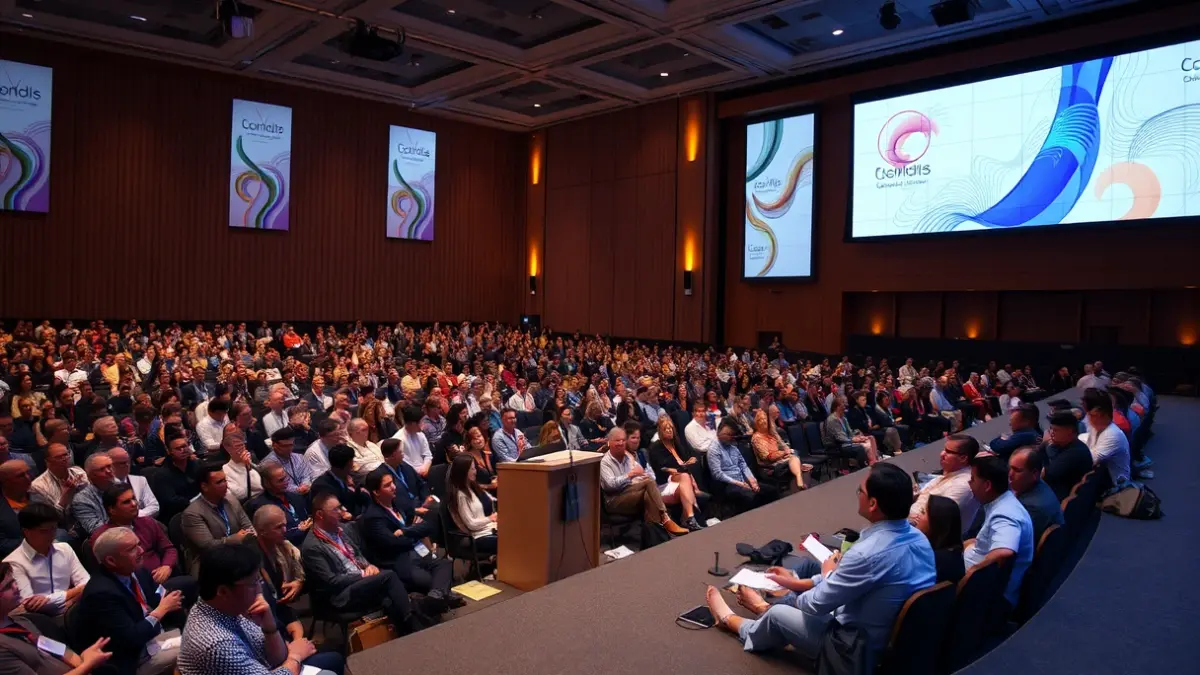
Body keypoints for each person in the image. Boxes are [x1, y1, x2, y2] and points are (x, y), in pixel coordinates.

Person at [703, 463, 935, 671]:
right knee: (804, 585)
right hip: (891, 638)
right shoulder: (920, 539)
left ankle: (732, 622)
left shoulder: (867, 554)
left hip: (854, 649)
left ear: (873, 504)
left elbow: (814, 605)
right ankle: (767, 610)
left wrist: (809, 583)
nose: (857, 495)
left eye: (860, 491)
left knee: (778, 614)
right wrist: (803, 582)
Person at [178, 543, 343, 675]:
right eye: (252, 584)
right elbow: (284, 660)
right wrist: (295, 656)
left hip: (264, 666)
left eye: (259, 581)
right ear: (223, 591)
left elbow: (278, 657)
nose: (259, 590)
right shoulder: (216, 645)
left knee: (334, 658)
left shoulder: (223, 608)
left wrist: (269, 627)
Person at [300, 492, 425, 636]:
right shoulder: (312, 546)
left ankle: (406, 630)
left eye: (341, 507)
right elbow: (332, 581)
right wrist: (362, 574)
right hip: (341, 594)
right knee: (389, 577)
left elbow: (357, 554)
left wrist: (368, 566)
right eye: (335, 509)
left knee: (388, 596)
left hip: (359, 581)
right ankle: (413, 623)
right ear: (320, 515)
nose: (342, 512)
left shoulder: (340, 529)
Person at [73, 528, 185, 675]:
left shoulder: (136, 570)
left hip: (152, 636)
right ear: (111, 560)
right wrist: (161, 610)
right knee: (197, 649)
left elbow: (158, 595)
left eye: (138, 544)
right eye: (132, 549)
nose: (141, 551)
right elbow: (131, 639)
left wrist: (168, 605)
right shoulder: (101, 594)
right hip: (132, 659)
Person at [359, 468, 461, 614]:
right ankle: (443, 596)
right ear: (376, 492)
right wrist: (414, 531)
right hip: (398, 561)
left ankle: (436, 597)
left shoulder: (398, 503)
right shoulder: (373, 517)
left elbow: (427, 527)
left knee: (445, 564)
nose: (393, 487)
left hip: (416, 552)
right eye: (387, 485)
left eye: (392, 482)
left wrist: (406, 531)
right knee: (431, 580)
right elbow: (392, 543)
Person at [0, 559, 114, 674]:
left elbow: (61, 651)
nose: (16, 587)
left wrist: (85, 659)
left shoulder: (21, 621)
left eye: (14, 581)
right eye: (8, 586)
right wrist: (87, 665)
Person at [963, 454, 1034, 608]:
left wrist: (970, 576)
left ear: (987, 485)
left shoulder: (1005, 514)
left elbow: (1003, 553)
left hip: (987, 598)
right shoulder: (1004, 500)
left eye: (973, 479)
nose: (969, 483)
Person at [88, 484, 184, 589]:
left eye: (133, 498)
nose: (134, 504)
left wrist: (167, 566)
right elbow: (109, 573)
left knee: (188, 584)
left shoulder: (147, 522)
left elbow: (169, 549)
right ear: (111, 509)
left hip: (163, 577)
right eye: (126, 502)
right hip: (133, 587)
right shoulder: (102, 538)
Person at [600, 427, 689, 536]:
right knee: (648, 483)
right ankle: (665, 519)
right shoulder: (605, 462)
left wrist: (636, 478)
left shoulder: (627, 458)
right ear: (609, 442)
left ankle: (655, 535)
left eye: (623, 440)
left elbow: (638, 477)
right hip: (614, 500)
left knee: (648, 493)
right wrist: (630, 475)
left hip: (629, 492)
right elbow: (610, 485)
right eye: (618, 440)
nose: (621, 443)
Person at [3, 503, 89, 616]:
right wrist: (75, 593)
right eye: (44, 531)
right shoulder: (13, 562)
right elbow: (29, 604)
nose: (51, 535)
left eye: (54, 529)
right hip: (38, 620)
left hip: (72, 611)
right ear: (26, 531)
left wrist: (69, 600)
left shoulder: (65, 549)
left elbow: (88, 583)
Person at [246, 506, 308, 647]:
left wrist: (298, 582)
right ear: (262, 531)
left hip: (279, 612)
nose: (285, 530)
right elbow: (266, 605)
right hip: (264, 627)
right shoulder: (252, 560)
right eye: (279, 527)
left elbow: (278, 600)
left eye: (285, 525)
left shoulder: (280, 546)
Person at [180, 464, 254, 576]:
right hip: (210, 563)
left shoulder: (231, 500)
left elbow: (248, 526)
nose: (226, 485)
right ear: (204, 487)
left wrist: (249, 535)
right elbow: (208, 547)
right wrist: (235, 539)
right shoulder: (192, 514)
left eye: (225, 480)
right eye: (219, 482)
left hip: (238, 553)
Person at [909, 434, 980, 535]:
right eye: (944, 449)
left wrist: (905, 523)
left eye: (948, 451)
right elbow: (920, 496)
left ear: (963, 458)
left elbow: (935, 522)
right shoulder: (948, 474)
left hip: (924, 534)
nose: (942, 454)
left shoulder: (963, 485)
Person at [646, 416, 703, 531]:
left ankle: (689, 518)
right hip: (665, 483)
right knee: (685, 476)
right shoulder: (655, 447)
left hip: (681, 480)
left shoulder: (676, 444)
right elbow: (661, 468)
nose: (669, 430)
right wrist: (677, 469)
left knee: (687, 475)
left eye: (671, 428)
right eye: (666, 429)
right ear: (660, 431)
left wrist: (690, 461)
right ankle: (689, 518)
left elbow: (686, 459)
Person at [706, 419, 765, 514]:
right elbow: (717, 474)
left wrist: (752, 479)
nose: (731, 437)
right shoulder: (713, 450)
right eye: (728, 434)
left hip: (742, 480)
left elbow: (743, 465)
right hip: (728, 484)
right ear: (718, 433)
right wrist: (739, 483)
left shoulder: (733, 447)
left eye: (732, 435)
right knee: (753, 496)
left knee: (770, 491)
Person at [246, 465, 312, 548]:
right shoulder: (262, 507)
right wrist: (300, 531)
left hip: (308, 539)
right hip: (286, 547)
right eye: (281, 480)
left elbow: (306, 519)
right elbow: (273, 537)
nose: (286, 482)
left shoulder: (295, 496)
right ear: (267, 484)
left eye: (286, 478)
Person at [1008, 447, 1065, 543]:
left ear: (1034, 473)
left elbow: (1010, 541)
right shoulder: (1035, 484)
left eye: (1017, 470)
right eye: (1010, 468)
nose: (1010, 475)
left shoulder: (1034, 507)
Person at [445, 454, 498, 554]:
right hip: (479, 537)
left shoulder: (472, 487)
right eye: (472, 469)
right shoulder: (461, 495)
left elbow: (492, 501)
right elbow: (471, 524)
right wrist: (490, 518)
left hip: (490, 529)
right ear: (463, 472)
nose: (475, 471)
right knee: (513, 539)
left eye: (475, 468)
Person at [1080, 387, 1131, 491]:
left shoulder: (1113, 435)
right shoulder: (1096, 426)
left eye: (1089, 414)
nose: (1087, 417)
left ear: (1098, 412)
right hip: (1101, 477)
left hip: (1115, 487)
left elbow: (1090, 460)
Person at [1039, 411, 1094, 500]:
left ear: (1069, 431)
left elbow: (1046, 475)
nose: (1051, 433)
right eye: (1051, 429)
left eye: (1056, 430)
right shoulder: (1062, 445)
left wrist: (1048, 444)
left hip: (1065, 498)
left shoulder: (1075, 452)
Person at [911, 494, 966, 584]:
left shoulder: (931, 560)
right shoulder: (954, 552)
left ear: (936, 523)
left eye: (923, 512)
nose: (918, 516)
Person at [147, 431, 199, 524]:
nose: (183, 450)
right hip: (177, 516)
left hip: (199, 508)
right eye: (178, 448)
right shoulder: (162, 474)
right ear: (170, 451)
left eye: (184, 446)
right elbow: (171, 501)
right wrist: (195, 502)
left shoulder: (197, 465)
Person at [749, 410, 808, 491]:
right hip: (769, 466)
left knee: (795, 455)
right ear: (756, 423)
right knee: (795, 458)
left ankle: (799, 482)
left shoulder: (771, 434)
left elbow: (782, 446)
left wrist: (785, 452)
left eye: (765, 419)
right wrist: (784, 453)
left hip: (779, 460)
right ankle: (799, 481)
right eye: (761, 419)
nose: (764, 421)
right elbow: (768, 457)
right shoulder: (756, 438)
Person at [311, 444, 370, 519]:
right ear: (347, 465)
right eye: (352, 461)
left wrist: (354, 488)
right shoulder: (322, 486)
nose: (353, 465)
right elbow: (338, 513)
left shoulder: (348, 477)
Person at [31, 442, 88, 516]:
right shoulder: (38, 486)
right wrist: (65, 496)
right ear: (47, 461)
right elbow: (48, 518)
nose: (64, 459)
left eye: (65, 455)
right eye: (58, 457)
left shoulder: (79, 472)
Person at [69, 452, 118, 537]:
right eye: (101, 469)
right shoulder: (81, 500)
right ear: (90, 476)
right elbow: (96, 529)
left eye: (109, 466)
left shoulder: (123, 487)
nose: (108, 471)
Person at [822, 398, 876, 466]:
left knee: (870, 439)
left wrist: (859, 437)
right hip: (837, 446)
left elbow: (850, 433)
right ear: (837, 407)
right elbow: (840, 438)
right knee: (861, 448)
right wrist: (853, 440)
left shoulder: (843, 418)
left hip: (846, 442)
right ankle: (865, 466)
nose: (845, 407)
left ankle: (874, 462)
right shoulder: (832, 420)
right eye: (843, 405)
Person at [109, 447, 160, 519]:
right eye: (122, 463)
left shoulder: (140, 480)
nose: (127, 465)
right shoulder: (105, 485)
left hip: (141, 521)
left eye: (128, 461)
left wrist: (135, 515)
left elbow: (154, 506)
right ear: (111, 465)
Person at [261, 427, 314, 495]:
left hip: (305, 492)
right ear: (274, 445)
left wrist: (305, 484)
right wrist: (297, 490)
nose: (289, 449)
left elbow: (307, 475)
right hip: (283, 497)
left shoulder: (299, 457)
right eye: (285, 446)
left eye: (291, 445)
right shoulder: (267, 464)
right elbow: (276, 485)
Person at [222, 431, 262, 503]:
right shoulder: (225, 470)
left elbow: (260, 485)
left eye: (243, 445)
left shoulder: (251, 461)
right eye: (238, 446)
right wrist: (246, 469)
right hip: (249, 503)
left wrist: (249, 467)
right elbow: (241, 494)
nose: (242, 449)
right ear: (228, 449)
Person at [393, 406, 432, 476]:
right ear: (413, 424)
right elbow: (405, 466)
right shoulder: (398, 440)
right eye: (422, 422)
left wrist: (425, 468)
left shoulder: (420, 434)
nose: (424, 424)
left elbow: (428, 455)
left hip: (425, 470)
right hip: (410, 475)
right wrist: (421, 472)